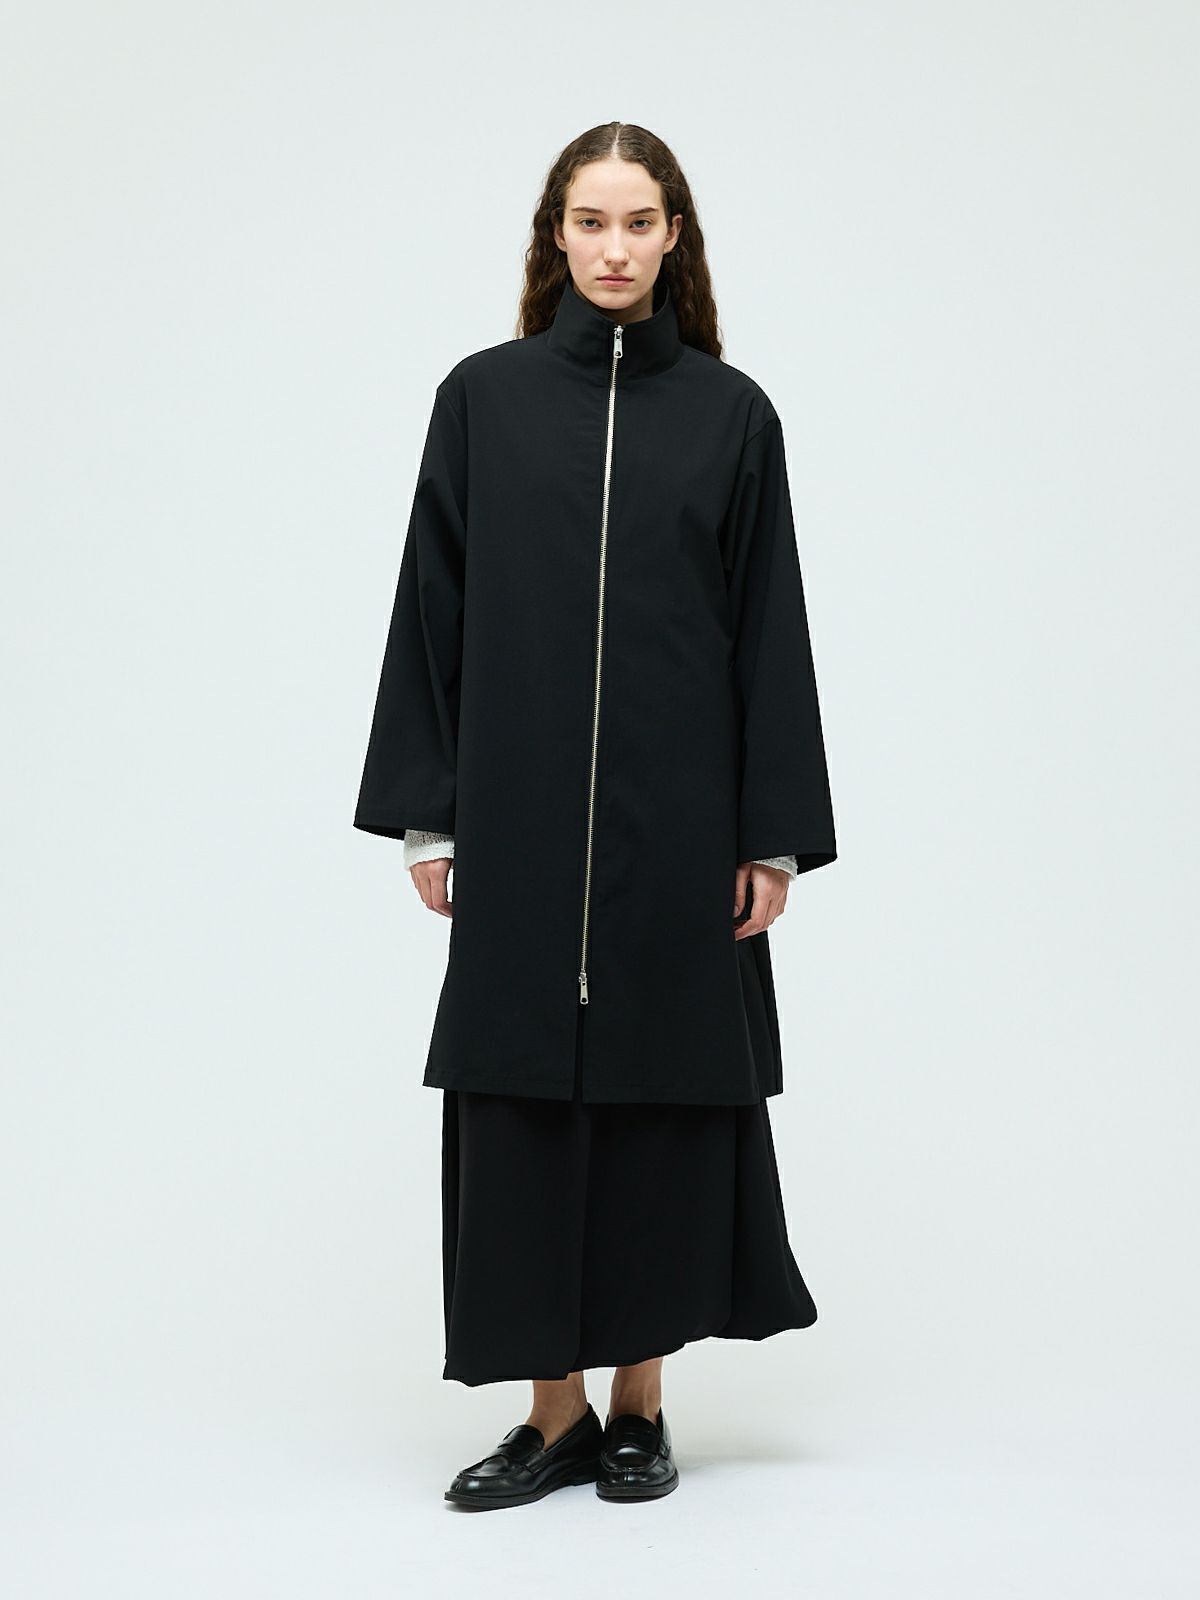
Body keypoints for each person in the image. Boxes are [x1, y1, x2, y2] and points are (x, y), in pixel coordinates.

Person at [352, 121, 838, 1510]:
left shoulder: (733, 417)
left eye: (638, 221)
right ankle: (550, 1416)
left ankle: (638, 1408)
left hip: (678, 835)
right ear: (554, 237)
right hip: (516, 826)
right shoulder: (483, 400)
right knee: (520, 1112)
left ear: (673, 236)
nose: (614, 247)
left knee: (661, 1112)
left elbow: (769, 630)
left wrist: (768, 834)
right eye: (589, 221)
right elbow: (433, 606)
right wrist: (430, 817)